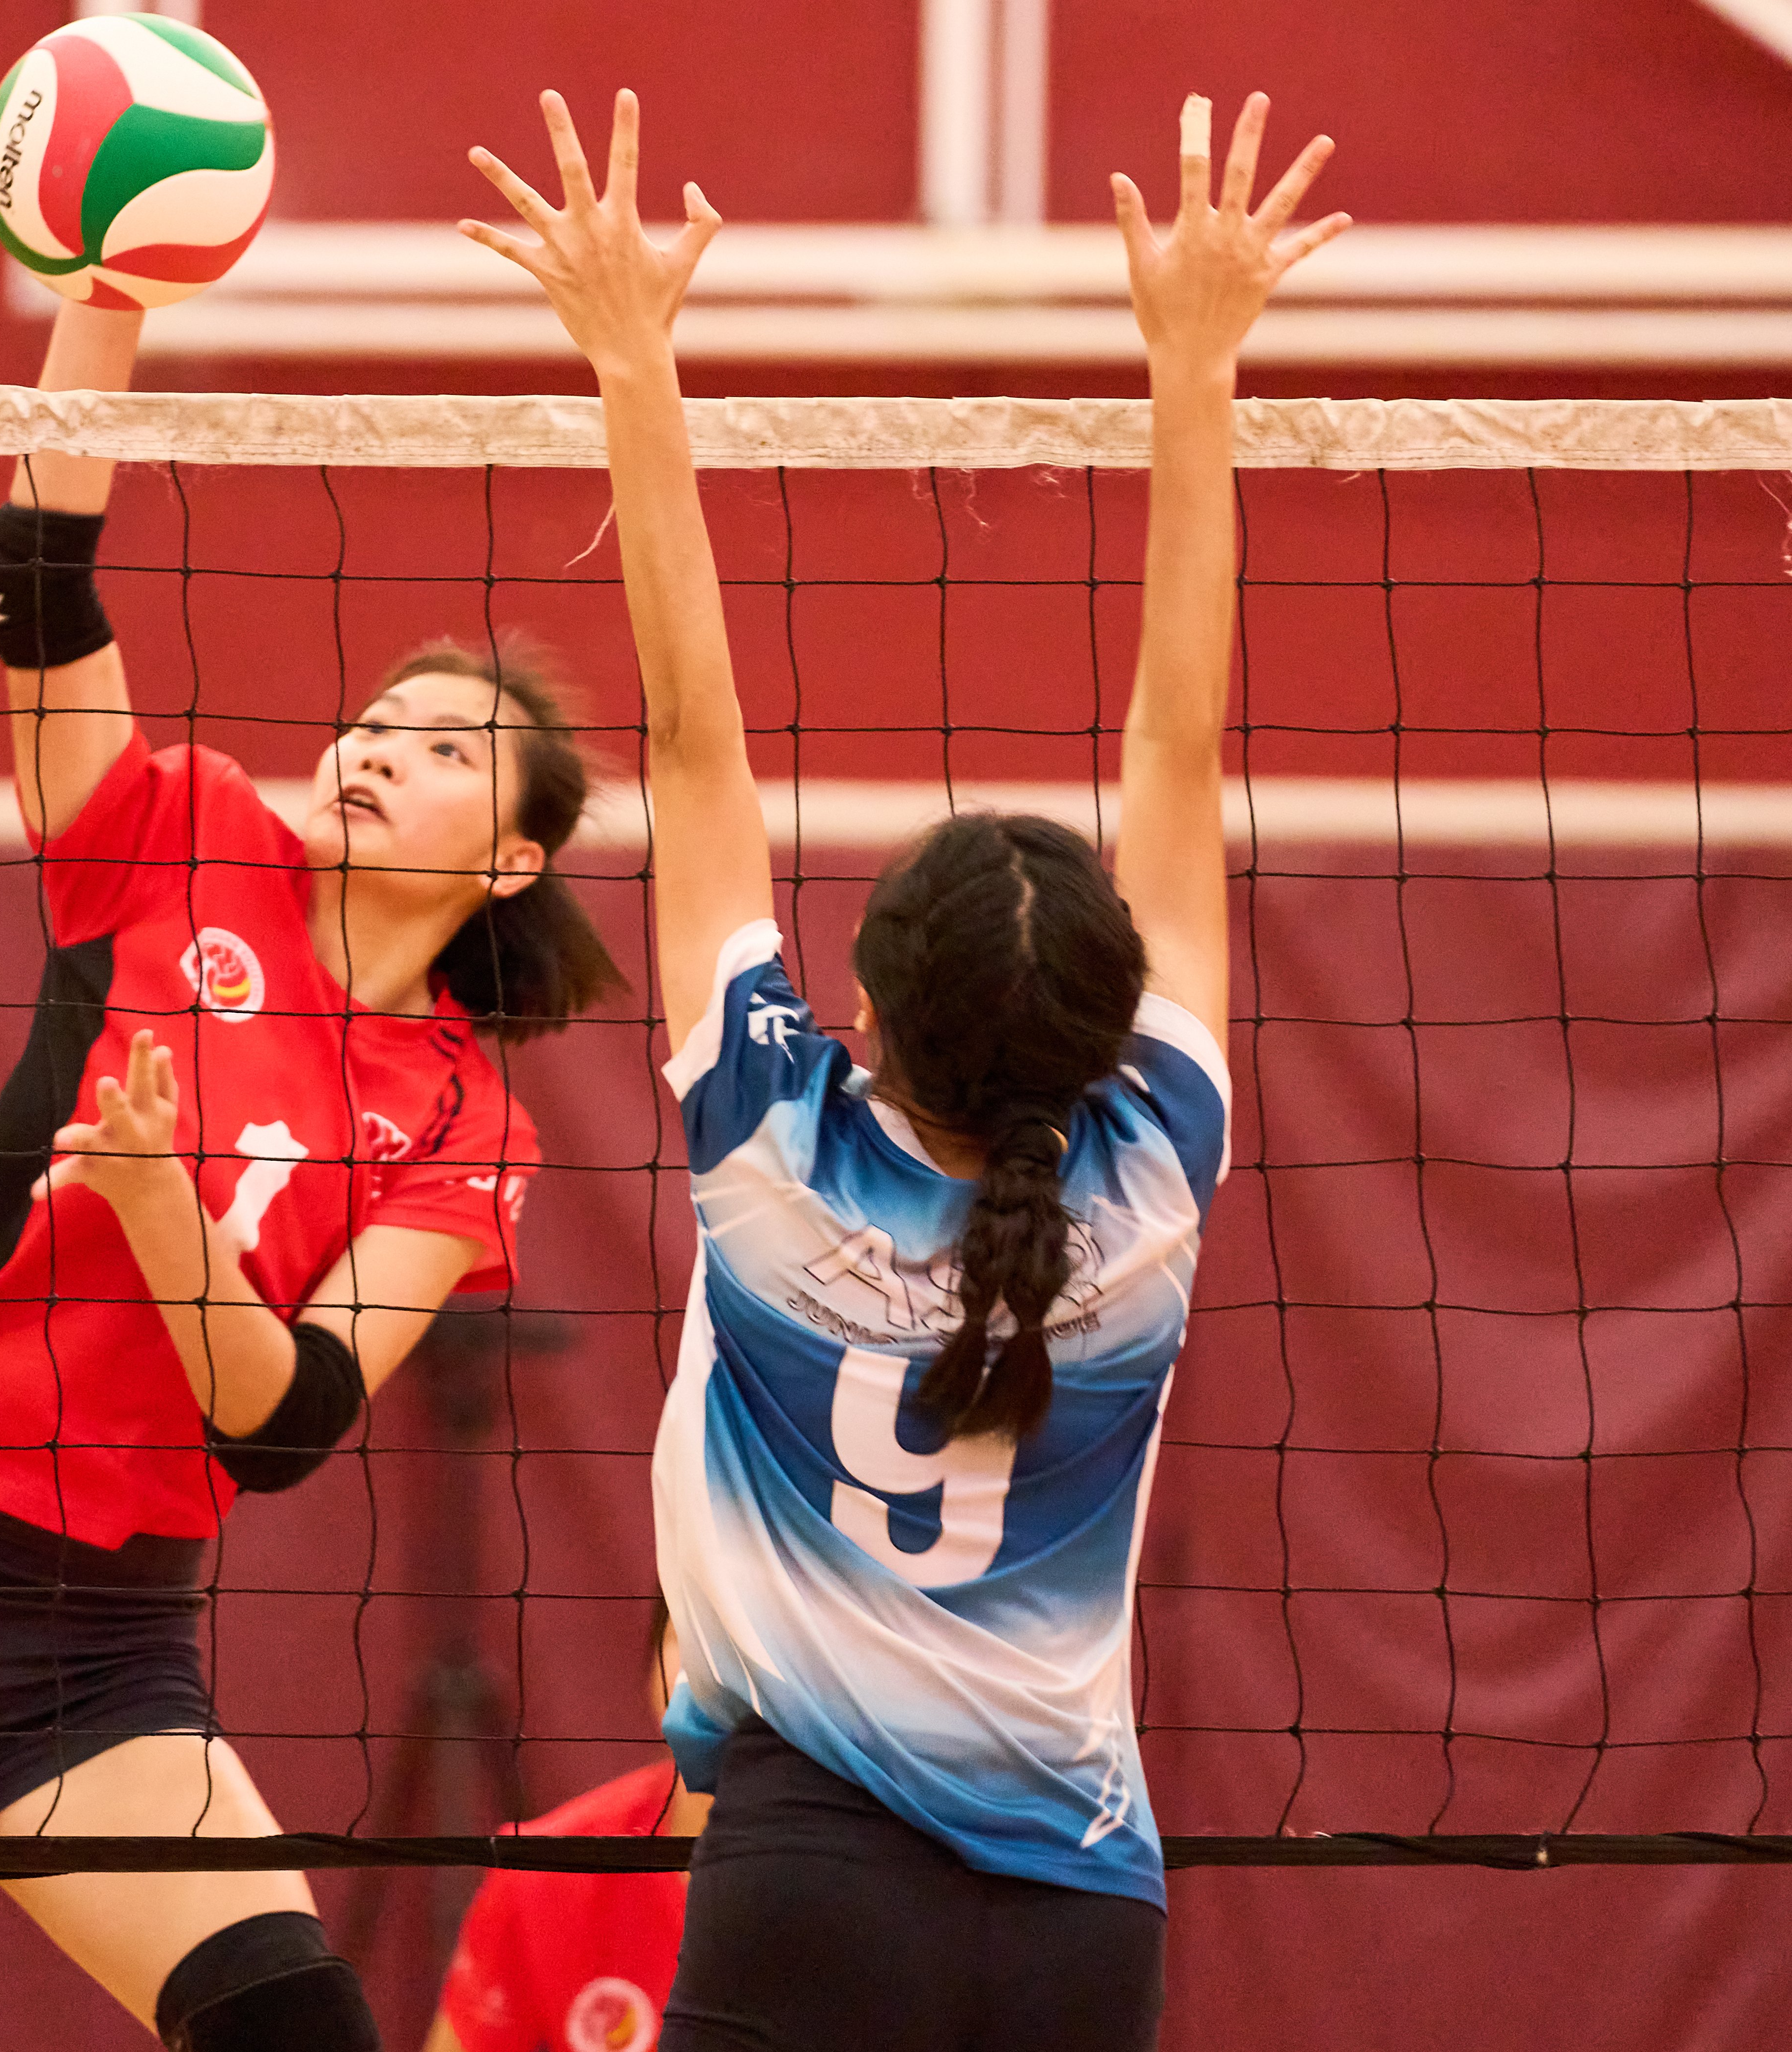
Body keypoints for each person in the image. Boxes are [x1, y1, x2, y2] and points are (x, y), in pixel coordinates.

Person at [464, 86, 1344, 2052]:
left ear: (857, 1001)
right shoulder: (1151, 1183)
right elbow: (1183, 757)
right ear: (1110, 1031)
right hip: (1084, 1919)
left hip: (807, 1885)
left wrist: (631, 353)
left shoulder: (770, 1145)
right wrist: (1196, 368)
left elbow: (688, 742)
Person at [0, 300, 624, 2052]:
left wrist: (162, 1216)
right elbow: (37, 580)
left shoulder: (467, 1120)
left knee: (293, 2026)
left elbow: (286, 1424)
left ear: (511, 854)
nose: (381, 743)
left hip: (96, 1647)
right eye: (377, 718)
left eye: (446, 745)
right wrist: (101, 305)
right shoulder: (178, 825)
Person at [426, 1603, 710, 2052]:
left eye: (740, 1641)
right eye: (691, 1632)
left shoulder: (858, 1869)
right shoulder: (541, 1871)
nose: (712, 1670)